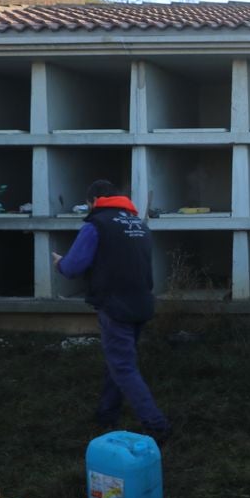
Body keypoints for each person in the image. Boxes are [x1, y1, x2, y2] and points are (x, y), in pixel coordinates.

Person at [53, 179, 170, 444]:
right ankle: (107, 414)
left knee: (123, 367)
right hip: (141, 303)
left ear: (93, 201)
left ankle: (156, 425)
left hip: (115, 306)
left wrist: (60, 264)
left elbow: (73, 267)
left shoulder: (97, 225)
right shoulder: (139, 225)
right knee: (117, 363)